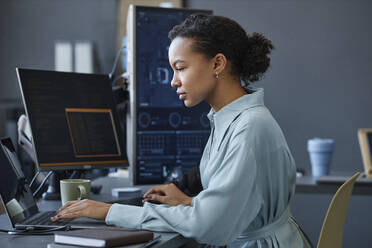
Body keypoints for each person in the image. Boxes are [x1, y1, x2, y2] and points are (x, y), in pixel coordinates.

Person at [52, 14, 312, 247]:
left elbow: (208, 227)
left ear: (217, 64)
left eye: (181, 67)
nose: (174, 80)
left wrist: (109, 212)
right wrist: (191, 203)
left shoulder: (249, 129)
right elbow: (238, 203)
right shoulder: (230, 119)